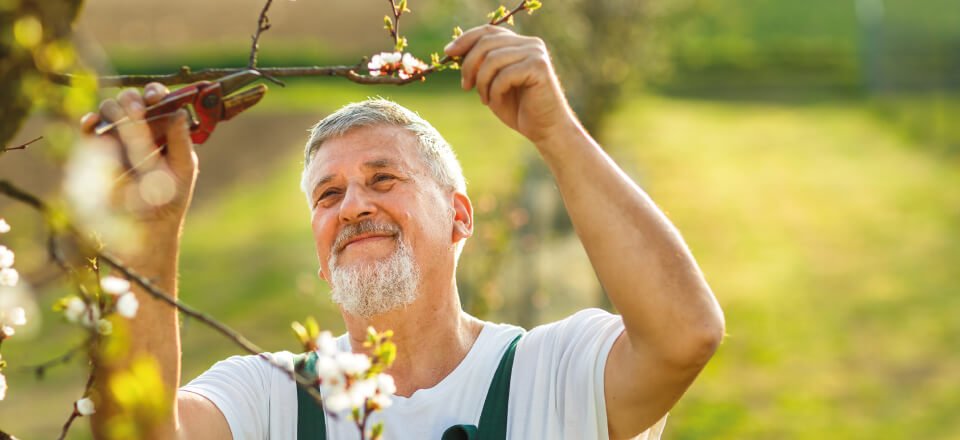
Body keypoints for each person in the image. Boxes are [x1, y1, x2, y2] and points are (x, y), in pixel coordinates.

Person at [81, 25, 724, 439]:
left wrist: (555, 130)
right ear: (321, 257)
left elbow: (685, 335)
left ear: (460, 217)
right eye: (328, 194)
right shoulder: (273, 399)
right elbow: (140, 434)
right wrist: (147, 230)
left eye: (384, 179)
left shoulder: (550, 373)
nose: (353, 205)